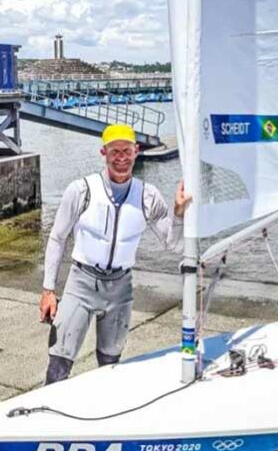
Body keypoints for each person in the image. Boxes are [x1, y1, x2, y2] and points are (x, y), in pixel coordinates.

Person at [39, 124, 192, 384]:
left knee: (110, 369)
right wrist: (48, 291)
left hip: (120, 289)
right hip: (81, 283)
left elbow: (173, 245)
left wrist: (178, 213)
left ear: (136, 151)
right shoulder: (81, 191)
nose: (121, 158)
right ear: (104, 152)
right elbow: (57, 238)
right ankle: (46, 421)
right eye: (115, 152)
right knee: (58, 365)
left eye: (127, 151)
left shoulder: (147, 195)